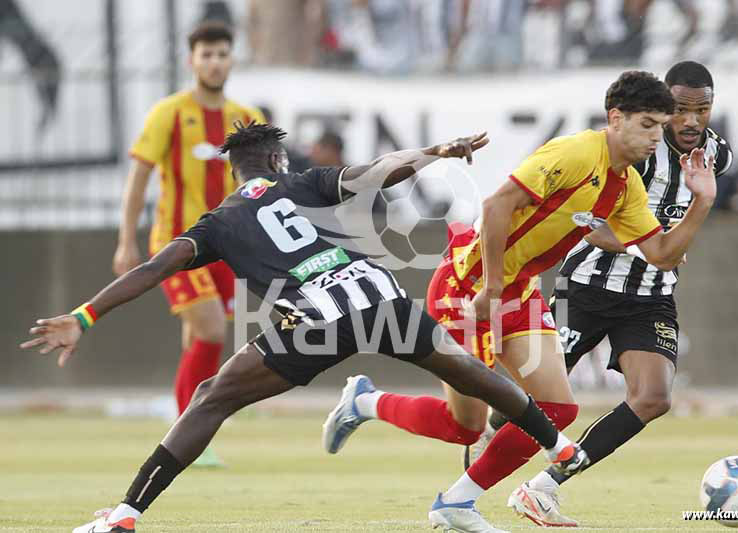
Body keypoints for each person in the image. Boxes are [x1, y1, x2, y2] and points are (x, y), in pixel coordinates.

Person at [21, 122, 589, 533]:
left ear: (234, 169)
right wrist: (435, 152)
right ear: (276, 161)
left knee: (211, 398)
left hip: (315, 321)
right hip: (377, 295)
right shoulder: (304, 183)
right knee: (466, 371)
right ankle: (558, 444)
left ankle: (125, 515)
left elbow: (152, 269)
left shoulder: (218, 223)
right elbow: (375, 174)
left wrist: (84, 315)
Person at [324, 70, 719, 533]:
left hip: (518, 291)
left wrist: (702, 203)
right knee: (464, 426)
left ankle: (456, 503)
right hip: (465, 285)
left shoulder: (626, 185)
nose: (658, 136)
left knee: (559, 408)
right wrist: (491, 287)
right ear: (616, 118)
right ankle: (367, 402)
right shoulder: (574, 153)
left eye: (660, 125)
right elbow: (496, 206)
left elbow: (661, 255)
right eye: (648, 124)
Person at [495, 60, 734, 527]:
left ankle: (542, 489)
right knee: (529, 399)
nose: (690, 121)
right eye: (680, 109)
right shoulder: (633, 151)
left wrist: (667, 246)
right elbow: (587, 226)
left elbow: (677, 229)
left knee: (654, 396)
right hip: (586, 288)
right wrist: (655, 248)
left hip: (651, 296)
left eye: (701, 110)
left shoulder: (716, 156)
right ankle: (471, 469)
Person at [112, 22, 266, 466]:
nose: (215, 62)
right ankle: (191, 431)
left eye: (222, 54)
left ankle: (181, 427)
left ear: (231, 59)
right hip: (177, 245)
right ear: (191, 61)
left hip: (228, 245)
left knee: (197, 339)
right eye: (206, 55)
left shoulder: (246, 116)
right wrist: (127, 240)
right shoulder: (169, 113)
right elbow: (139, 177)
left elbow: (265, 182)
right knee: (212, 331)